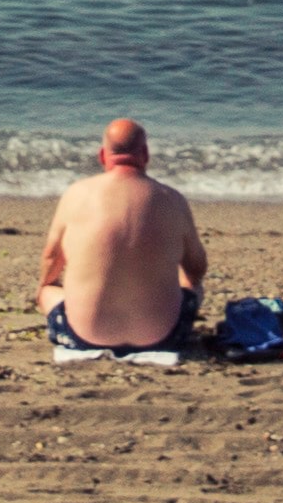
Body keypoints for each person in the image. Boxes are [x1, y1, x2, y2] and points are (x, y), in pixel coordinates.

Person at [39, 116, 209, 355]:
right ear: (146, 154)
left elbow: (51, 258)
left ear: (102, 156)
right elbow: (197, 268)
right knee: (192, 284)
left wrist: (45, 287)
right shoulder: (172, 199)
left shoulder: (77, 194)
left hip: (84, 337)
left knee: (48, 290)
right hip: (163, 338)